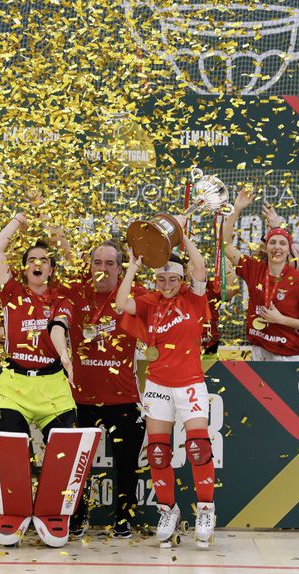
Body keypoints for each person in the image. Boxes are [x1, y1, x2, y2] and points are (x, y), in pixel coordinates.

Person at [114, 230, 216, 548]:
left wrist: (182, 239)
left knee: (198, 447)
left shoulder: (194, 297)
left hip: (190, 383)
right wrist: (132, 266)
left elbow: (199, 266)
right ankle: (167, 511)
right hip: (158, 383)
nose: (167, 285)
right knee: (158, 453)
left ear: (181, 278)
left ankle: (206, 511)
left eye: (172, 279)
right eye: (161, 280)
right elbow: (120, 303)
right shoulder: (149, 303)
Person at [58, 240, 147, 539]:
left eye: (110, 263)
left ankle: (123, 518)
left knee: (126, 466)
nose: (103, 269)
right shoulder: (74, 291)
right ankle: (77, 516)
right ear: (89, 264)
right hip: (80, 399)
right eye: (98, 262)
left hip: (124, 399)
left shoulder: (133, 294)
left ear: (119, 267)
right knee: (75, 467)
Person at [0, 213, 76, 436]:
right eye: (31, 260)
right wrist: (16, 220)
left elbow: (57, 328)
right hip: (14, 386)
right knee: (8, 449)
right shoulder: (11, 292)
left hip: (53, 387)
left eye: (44, 260)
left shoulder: (61, 299)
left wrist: (64, 355)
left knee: (65, 453)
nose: (37, 264)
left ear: (51, 269)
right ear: (25, 268)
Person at [223, 187, 299, 361]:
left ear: (288, 249)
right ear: (266, 247)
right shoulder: (253, 268)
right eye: (272, 242)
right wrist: (236, 209)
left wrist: (281, 319)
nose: (277, 247)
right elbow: (226, 245)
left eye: (282, 244)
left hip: (288, 354)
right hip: (259, 349)